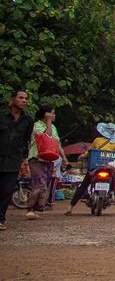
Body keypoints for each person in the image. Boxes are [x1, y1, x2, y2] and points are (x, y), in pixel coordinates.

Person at [65, 121, 115, 215]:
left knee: (83, 185)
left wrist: (83, 156)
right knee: (112, 176)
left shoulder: (97, 140)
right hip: (108, 168)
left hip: (95, 167)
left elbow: (90, 151)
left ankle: (70, 206)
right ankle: (111, 192)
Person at [24, 105, 68, 219]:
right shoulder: (37, 125)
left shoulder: (53, 127)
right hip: (36, 158)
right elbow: (46, 136)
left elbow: (57, 143)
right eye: (52, 113)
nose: (54, 116)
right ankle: (30, 209)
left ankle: (38, 208)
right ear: (45, 114)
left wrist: (63, 158)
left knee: (45, 185)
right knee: (39, 183)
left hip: (48, 159)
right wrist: (48, 121)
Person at [0, 90, 32, 231]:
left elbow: (26, 141)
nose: (24, 100)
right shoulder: (2, 116)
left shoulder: (27, 120)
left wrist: (24, 160)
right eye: (20, 98)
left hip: (14, 159)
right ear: (13, 99)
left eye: (25, 98)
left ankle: (1, 218)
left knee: (7, 190)